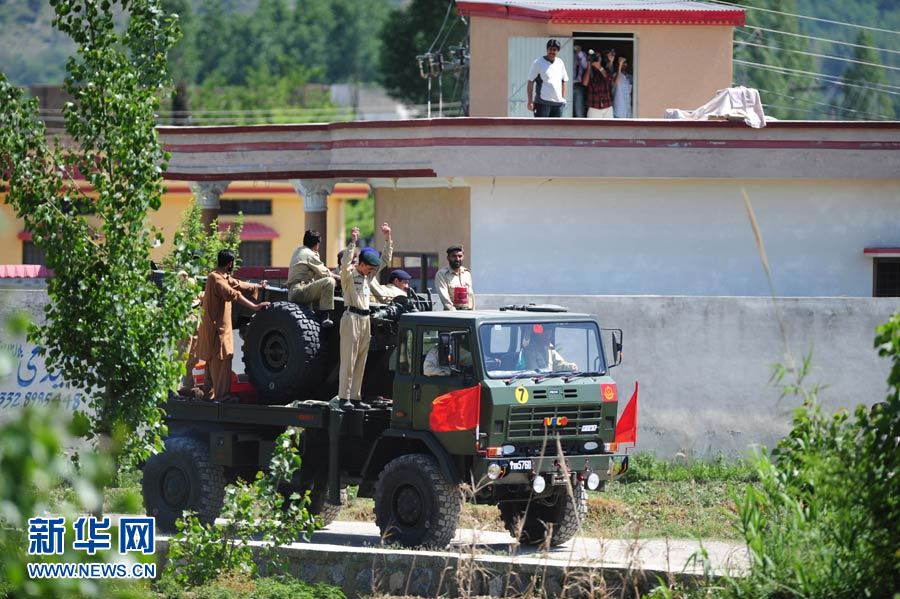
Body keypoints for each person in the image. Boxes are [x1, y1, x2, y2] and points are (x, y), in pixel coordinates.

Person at [196, 250, 270, 401]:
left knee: (212, 363)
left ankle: (208, 395)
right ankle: (222, 396)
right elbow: (233, 293)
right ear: (230, 263)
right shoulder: (216, 279)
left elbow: (238, 284)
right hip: (218, 332)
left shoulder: (220, 276)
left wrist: (258, 286)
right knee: (222, 361)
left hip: (215, 331)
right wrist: (255, 307)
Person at [339, 223, 393, 410]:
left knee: (361, 360)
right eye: (369, 268)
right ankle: (344, 397)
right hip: (351, 317)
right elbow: (345, 263)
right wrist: (353, 242)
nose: (371, 272)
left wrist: (387, 238)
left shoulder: (367, 277)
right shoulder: (348, 275)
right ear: (361, 264)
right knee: (349, 359)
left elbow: (384, 260)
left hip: (364, 319)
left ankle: (355, 397)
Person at [286, 229, 337, 328]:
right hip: (300, 290)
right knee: (329, 282)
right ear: (317, 244)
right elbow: (325, 273)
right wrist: (339, 277)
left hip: (294, 290)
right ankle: (325, 317)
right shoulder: (309, 254)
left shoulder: (298, 250)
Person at [526, 39, 568, 118]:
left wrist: (563, 99)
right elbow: (530, 82)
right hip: (542, 104)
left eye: (554, 50)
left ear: (558, 51)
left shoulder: (560, 62)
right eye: (550, 49)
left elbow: (563, 81)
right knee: (542, 126)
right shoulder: (538, 62)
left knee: (557, 126)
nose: (552, 52)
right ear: (546, 49)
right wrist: (530, 101)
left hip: (558, 105)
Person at [436, 245, 475, 310]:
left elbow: (471, 296)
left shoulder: (467, 273)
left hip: (468, 312)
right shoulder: (442, 274)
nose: (457, 259)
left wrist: (473, 312)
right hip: (453, 313)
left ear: (463, 257)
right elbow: (445, 299)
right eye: (454, 256)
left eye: (460, 256)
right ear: (448, 258)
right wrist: (455, 313)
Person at [583, 50, 613, 119]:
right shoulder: (589, 70)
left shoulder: (605, 68)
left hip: (607, 106)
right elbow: (585, 83)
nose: (596, 59)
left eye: (598, 57)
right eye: (594, 58)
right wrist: (589, 67)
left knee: (609, 126)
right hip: (594, 106)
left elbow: (608, 79)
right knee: (593, 126)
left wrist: (599, 67)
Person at [572, 44, 588, 118]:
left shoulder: (582, 54)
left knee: (579, 111)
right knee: (566, 110)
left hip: (577, 85)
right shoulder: (566, 53)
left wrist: (579, 53)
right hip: (565, 85)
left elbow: (585, 65)